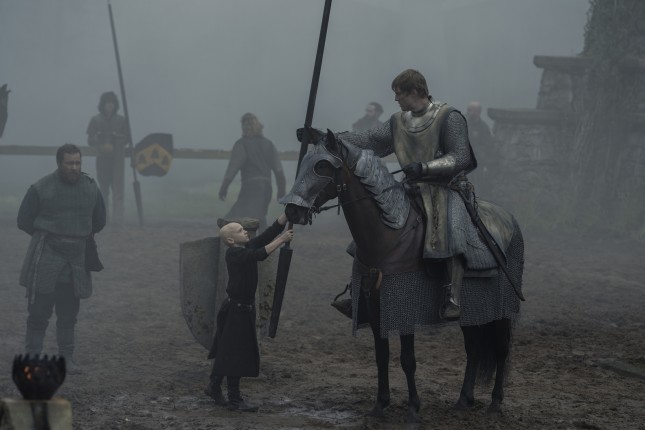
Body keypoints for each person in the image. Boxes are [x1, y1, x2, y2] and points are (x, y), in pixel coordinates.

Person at [300, 69, 477, 321]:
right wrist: (327, 138)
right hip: (411, 188)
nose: (396, 99)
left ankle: (453, 297)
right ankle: (358, 292)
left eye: (399, 94)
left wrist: (425, 167)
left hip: (448, 188)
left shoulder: (449, 117)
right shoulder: (398, 121)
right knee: (369, 230)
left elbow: (461, 157)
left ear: (414, 91)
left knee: (450, 230)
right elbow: (369, 139)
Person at [17, 143, 106, 374]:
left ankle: (66, 359)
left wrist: (75, 233)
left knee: (68, 314)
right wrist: (49, 237)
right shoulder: (41, 187)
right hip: (46, 256)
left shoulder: (90, 187)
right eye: (69, 163)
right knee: (38, 313)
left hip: (76, 259)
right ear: (59, 163)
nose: (74, 168)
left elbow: (99, 220)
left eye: (77, 163)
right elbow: (23, 220)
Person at [204, 213, 294, 411]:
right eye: (240, 230)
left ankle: (214, 385)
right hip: (235, 310)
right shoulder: (234, 254)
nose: (245, 231)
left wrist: (285, 215)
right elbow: (259, 255)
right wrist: (282, 240)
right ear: (230, 240)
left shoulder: (247, 246)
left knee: (228, 350)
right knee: (234, 353)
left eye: (244, 229)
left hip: (242, 310)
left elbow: (268, 234)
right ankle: (234, 399)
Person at [219, 113, 286, 230]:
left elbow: (232, 168)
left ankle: (231, 240)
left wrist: (224, 187)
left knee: (232, 221)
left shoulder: (242, 144)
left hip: (251, 189)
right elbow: (279, 171)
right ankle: (265, 240)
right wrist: (281, 190)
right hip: (267, 189)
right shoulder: (269, 144)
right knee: (258, 218)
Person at [86, 91, 127, 225]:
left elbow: (127, 139)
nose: (110, 105)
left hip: (117, 160)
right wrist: (98, 138)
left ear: (115, 105)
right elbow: (90, 140)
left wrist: (117, 138)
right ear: (103, 105)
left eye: (112, 103)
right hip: (102, 159)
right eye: (107, 103)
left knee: (118, 190)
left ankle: (118, 219)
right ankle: (104, 219)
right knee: (103, 189)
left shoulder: (121, 120)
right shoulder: (95, 120)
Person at [465, 101, 495, 194]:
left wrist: (477, 152)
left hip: (477, 163)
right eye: (468, 110)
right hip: (463, 162)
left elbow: (488, 146)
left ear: (478, 112)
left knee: (476, 186)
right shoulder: (462, 122)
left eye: (471, 110)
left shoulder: (483, 127)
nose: (468, 112)